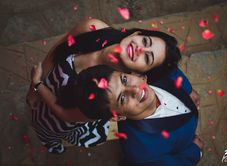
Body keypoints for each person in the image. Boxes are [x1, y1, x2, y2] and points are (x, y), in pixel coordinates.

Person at [27, 18, 199, 153]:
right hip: (45, 86)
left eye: (147, 58)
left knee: (48, 129)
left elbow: (66, 115)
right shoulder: (92, 27)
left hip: (57, 115)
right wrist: (34, 89)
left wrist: (39, 86)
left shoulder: (106, 93)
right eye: (145, 42)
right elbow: (59, 49)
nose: (140, 50)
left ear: (141, 74)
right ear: (136, 34)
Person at [70, 65, 203, 166]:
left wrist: (188, 89)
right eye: (122, 98)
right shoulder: (143, 153)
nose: (136, 90)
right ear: (116, 116)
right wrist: (195, 151)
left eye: (124, 79)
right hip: (186, 142)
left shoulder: (152, 67)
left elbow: (170, 68)